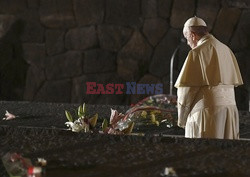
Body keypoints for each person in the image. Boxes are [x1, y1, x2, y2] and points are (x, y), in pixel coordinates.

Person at [174, 16, 243, 139]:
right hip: (230, 111)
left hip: (207, 113)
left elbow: (187, 90)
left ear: (193, 35)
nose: (189, 43)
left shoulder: (197, 52)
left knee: (205, 153)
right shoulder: (226, 49)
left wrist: (182, 118)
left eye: (187, 38)